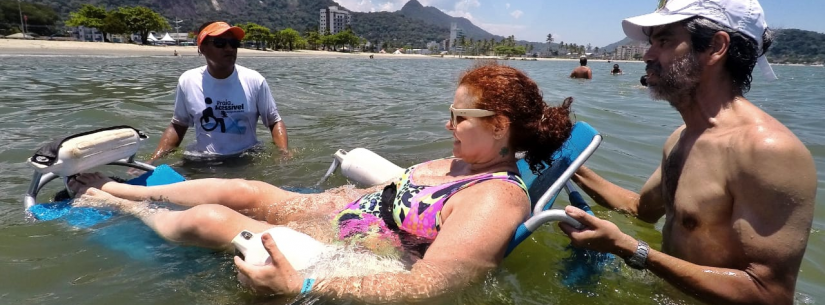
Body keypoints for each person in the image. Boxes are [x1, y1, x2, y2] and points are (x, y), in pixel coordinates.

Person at [69, 63, 575, 302]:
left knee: (212, 219)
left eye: (459, 116)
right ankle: (127, 188)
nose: (448, 125)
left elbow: (433, 284)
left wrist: (305, 284)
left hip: (339, 251)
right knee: (240, 191)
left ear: (501, 125)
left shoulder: (493, 199)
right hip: (332, 211)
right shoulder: (465, 160)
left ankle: (123, 207)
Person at [559, 1, 816, 304]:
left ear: (716, 47)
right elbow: (641, 209)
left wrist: (631, 249)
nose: (647, 55)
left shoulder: (766, 151)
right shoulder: (681, 138)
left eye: (664, 41)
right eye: (650, 42)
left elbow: (769, 293)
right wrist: (565, 162)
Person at [143, 21, 291, 168]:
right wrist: (154, 159)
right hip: (203, 159)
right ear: (202, 48)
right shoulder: (188, 80)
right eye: (220, 43)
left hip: (245, 158)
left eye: (233, 43)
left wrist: (283, 152)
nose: (229, 48)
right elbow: (178, 125)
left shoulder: (255, 80)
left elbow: (274, 121)